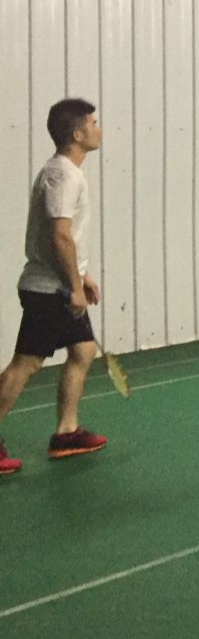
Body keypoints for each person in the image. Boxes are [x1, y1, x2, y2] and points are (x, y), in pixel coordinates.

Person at [0, 99, 109, 476]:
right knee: (25, 365)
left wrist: (82, 275)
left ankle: (66, 433)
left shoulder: (67, 172)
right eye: (93, 123)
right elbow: (59, 236)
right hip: (48, 290)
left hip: (60, 282)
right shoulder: (63, 175)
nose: (98, 128)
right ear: (77, 134)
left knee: (83, 351)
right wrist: (75, 286)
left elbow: (65, 239)